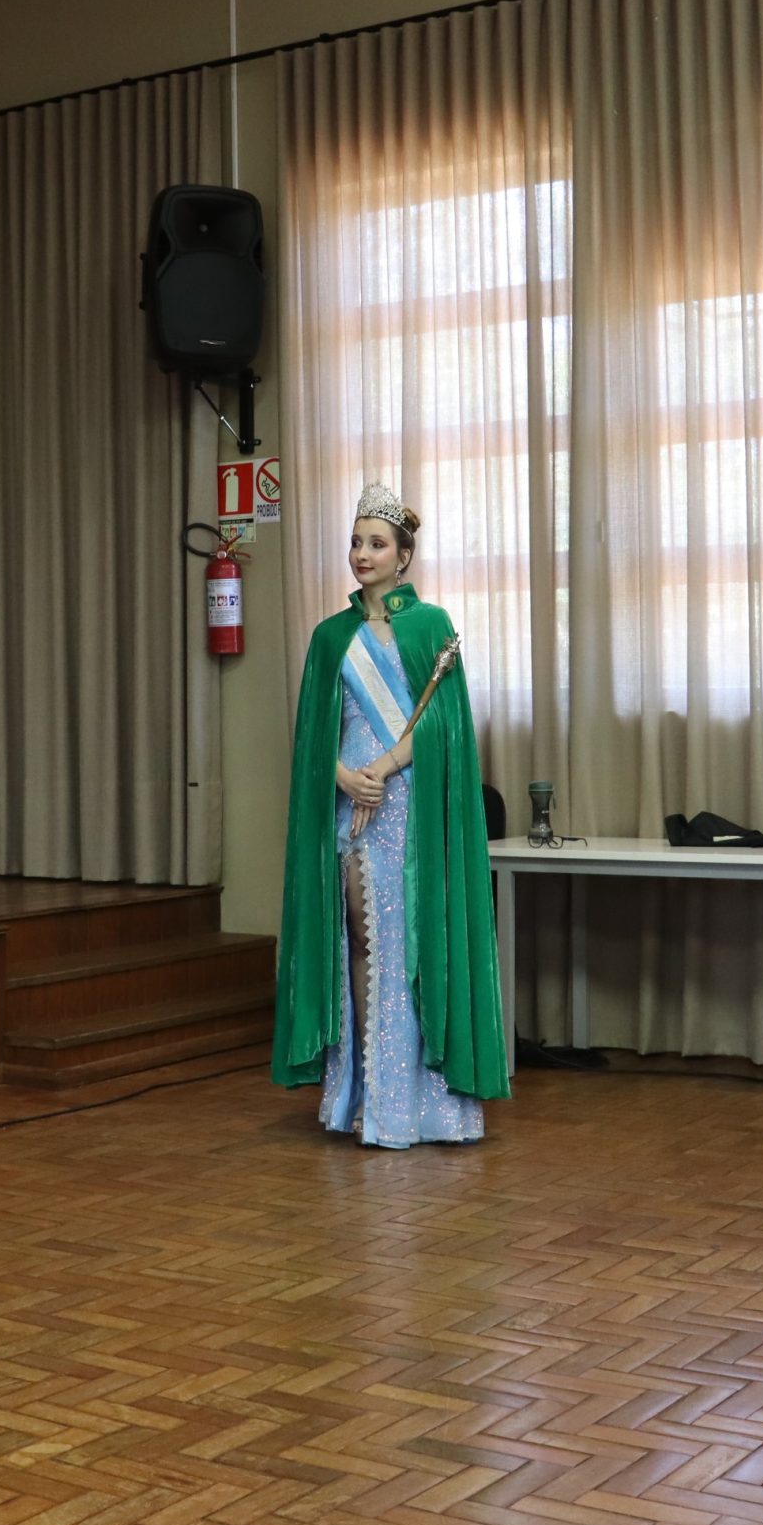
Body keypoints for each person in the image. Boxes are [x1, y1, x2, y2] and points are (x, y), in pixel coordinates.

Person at [272, 483, 507, 1145]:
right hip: (349, 803)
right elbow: (311, 736)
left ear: (403, 556)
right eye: (356, 542)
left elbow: (445, 725)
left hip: (406, 803)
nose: (362, 554)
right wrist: (343, 775)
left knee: (408, 941)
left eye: (376, 544)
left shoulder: (430, 626)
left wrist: (383, 768)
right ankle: (365, 1093)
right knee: (357, 936)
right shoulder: (330, 637)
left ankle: (414, 1102)